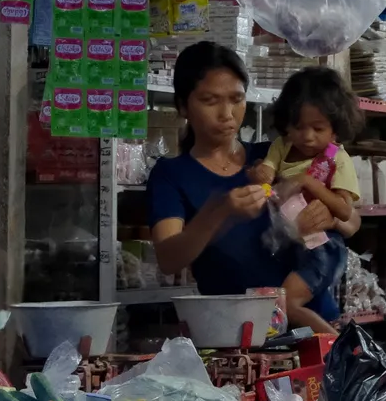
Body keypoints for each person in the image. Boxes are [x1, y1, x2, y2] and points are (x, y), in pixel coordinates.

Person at [147, 42, 358, 309]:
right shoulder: (172, 175)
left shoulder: (274, 156)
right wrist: (219, 212)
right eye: (209, 101)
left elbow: (352, 222)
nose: (227, 114)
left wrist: (328, 217)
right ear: (182, 106)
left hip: (310, 324)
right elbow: (169, 259)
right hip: (238, 330)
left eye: (236, 99)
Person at [247, 67, 363, 334]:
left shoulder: (336, 159)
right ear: (286, 123)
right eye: (298, 127)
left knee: (285, 303)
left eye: (318, 128)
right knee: (283, 303)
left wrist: (307, 181)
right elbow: (265, 175)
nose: (307, 136)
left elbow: (346, 212)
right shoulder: (282, 147)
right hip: (293, 247)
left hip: (323, 249)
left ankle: (339, 350)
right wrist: (258, 176)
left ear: (336, 128)